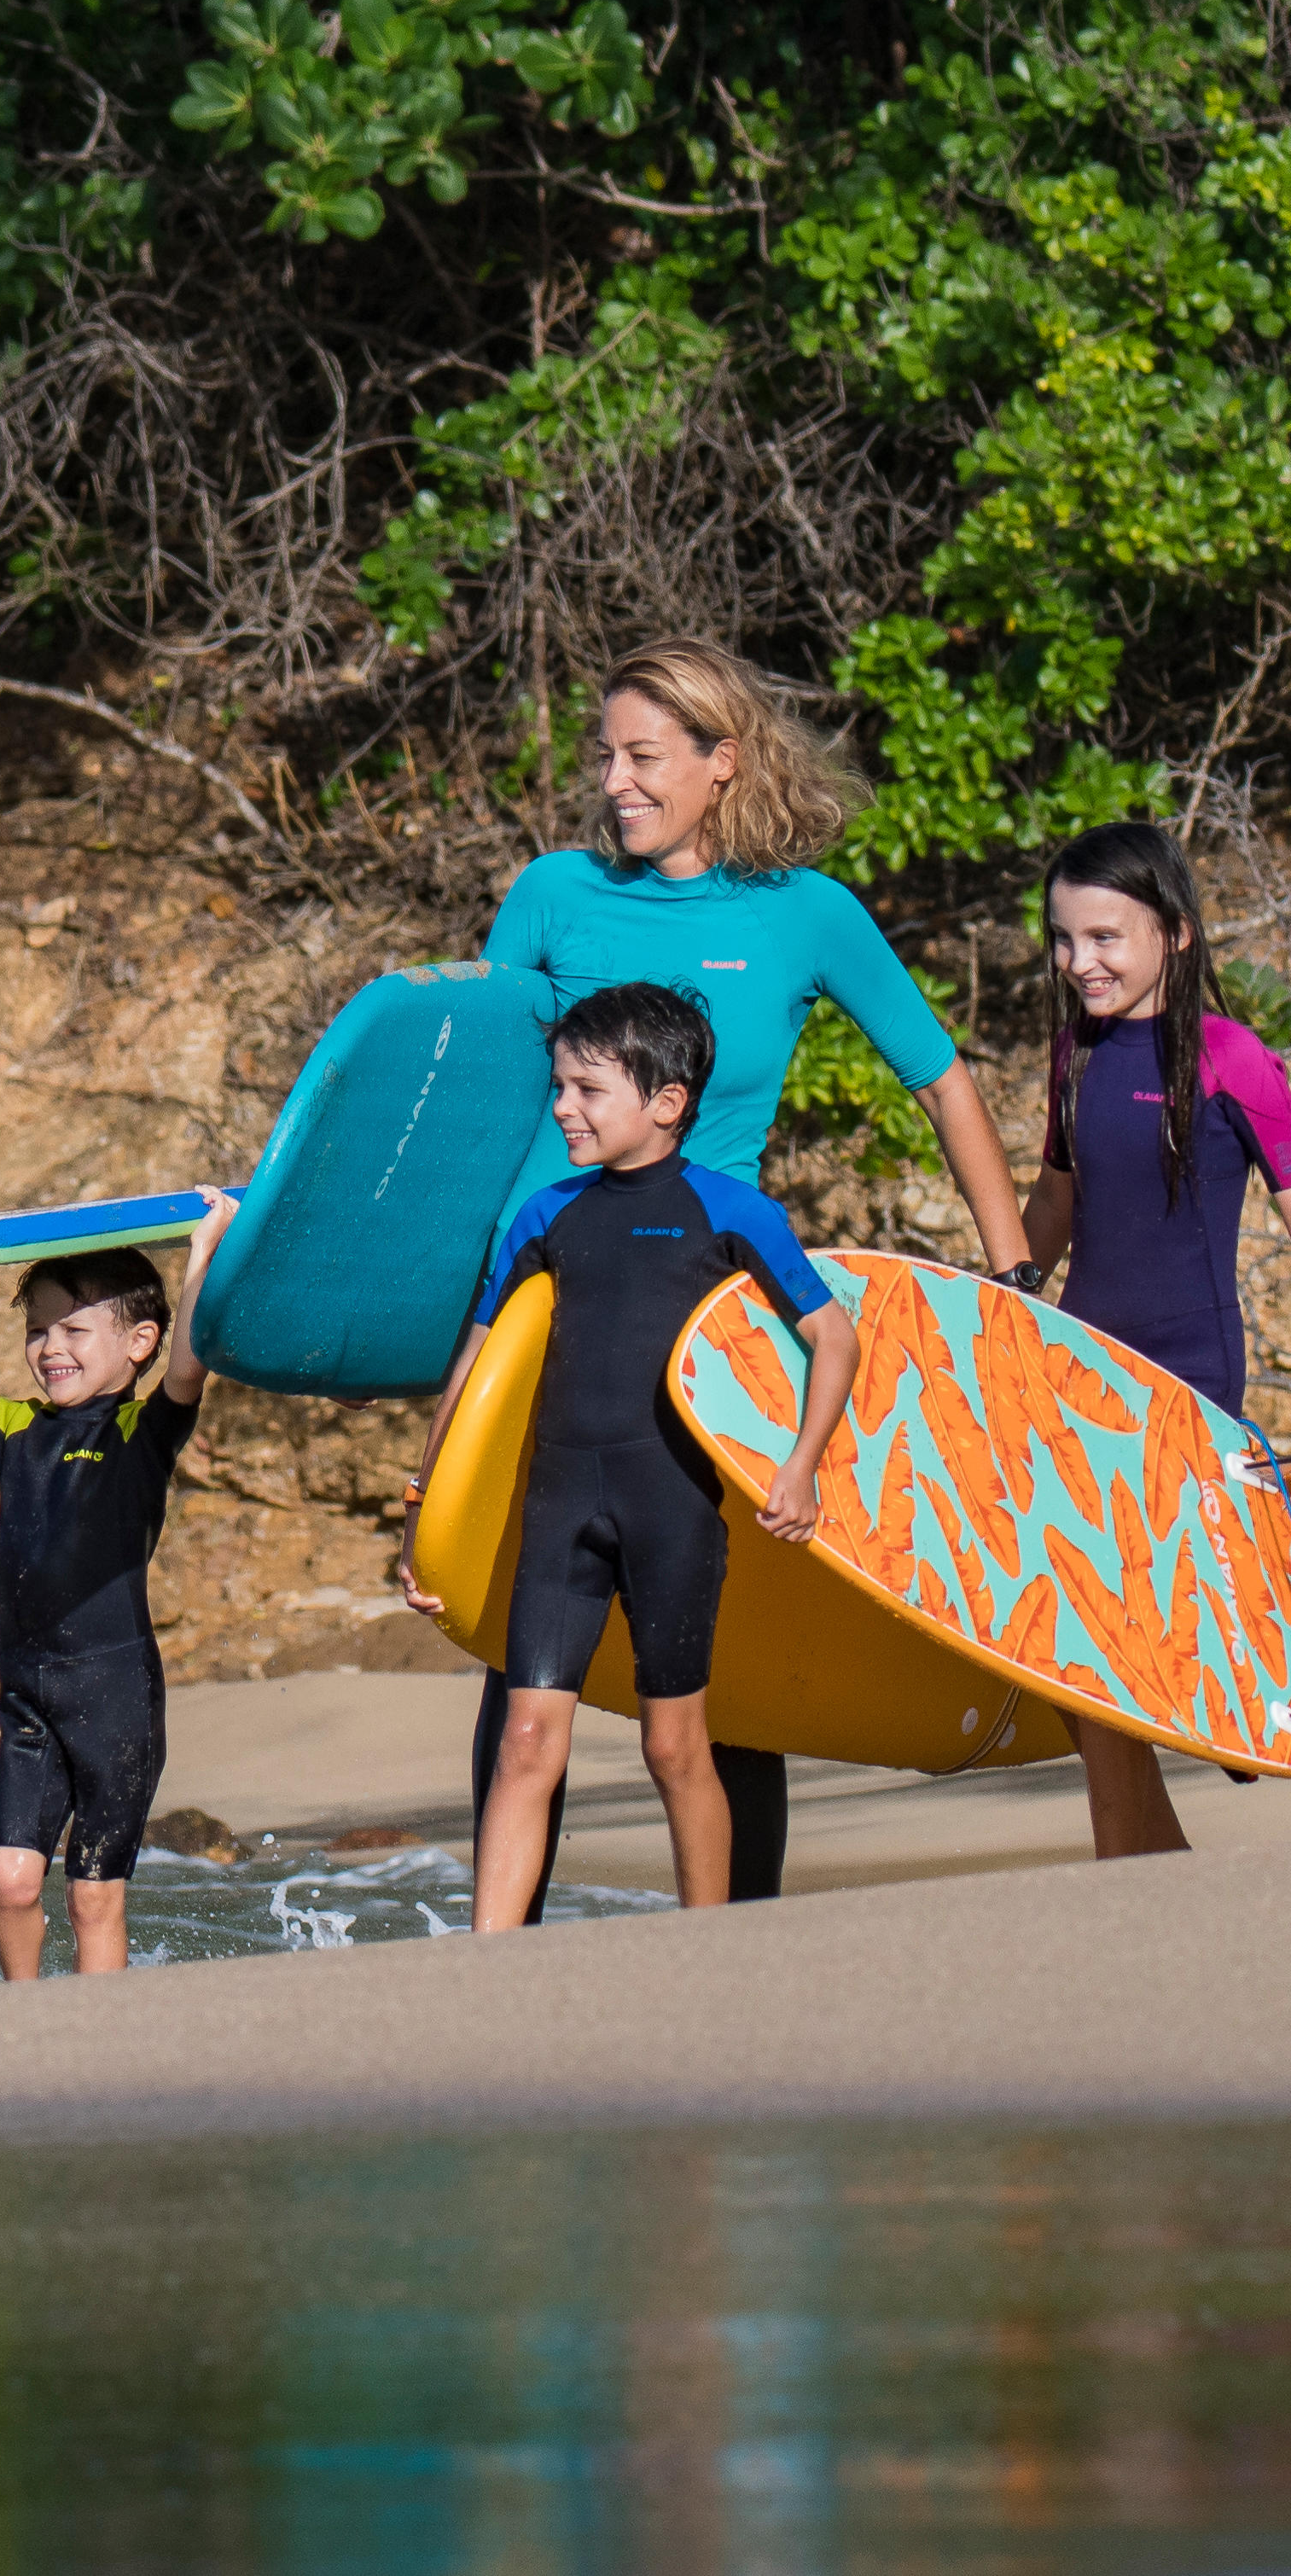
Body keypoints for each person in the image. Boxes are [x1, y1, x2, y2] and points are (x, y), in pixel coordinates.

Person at [466, 640, 1038, 1909]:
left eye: (642, 757)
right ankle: (491, 1956)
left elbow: (939, 1076)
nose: (612, 781)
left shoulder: (801, 911)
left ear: (721, 763)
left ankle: (742, 1936)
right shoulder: (550, 894)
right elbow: (478, 1088)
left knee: (716, 1645)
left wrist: (1012, 1267)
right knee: (524, 1658)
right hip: (539, 1295)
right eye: (603, 755)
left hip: (705, 1314)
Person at [394, 984, 859, 1922]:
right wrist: (422, 1511)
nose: (562, 1107)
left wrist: (800, 1465)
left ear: (666, 1101)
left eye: (586, 1089)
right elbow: (476, 1369)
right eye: (558, 1086)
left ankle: (706, 1943)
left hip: (670, 1508)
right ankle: (489, 1966)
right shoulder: (546, 1215)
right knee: (525, 1738)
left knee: (675, 1748)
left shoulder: (727, 1212)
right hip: (562, 1506)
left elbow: (833, 1335)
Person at [1024, 821, 1291, 1858]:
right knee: (1073, 1645)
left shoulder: (1231, 1060)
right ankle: (1148, 1868)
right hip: (1078, 1369)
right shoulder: (1072, 1053)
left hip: (1184, 1374)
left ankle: (1151, 1839)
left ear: (1173, 933)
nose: (1078, 963)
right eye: (1061, 940)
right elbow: (1054, 1208)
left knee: (1111, 1638)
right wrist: (992, 1297)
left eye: (1103, 938)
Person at [0, 1195, 236, 1980]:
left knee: (91, 1897)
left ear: (138, 1342)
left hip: (114, 1693)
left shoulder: (139, 1432)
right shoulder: (15, 1427)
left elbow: (189, 1368)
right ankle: (26, 2022)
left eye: (74, 1330)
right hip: (27, 1695)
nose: (51, 1347)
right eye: (37, 1330)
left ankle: (97, 2043)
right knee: (11, 1882)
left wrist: (202, 1254)